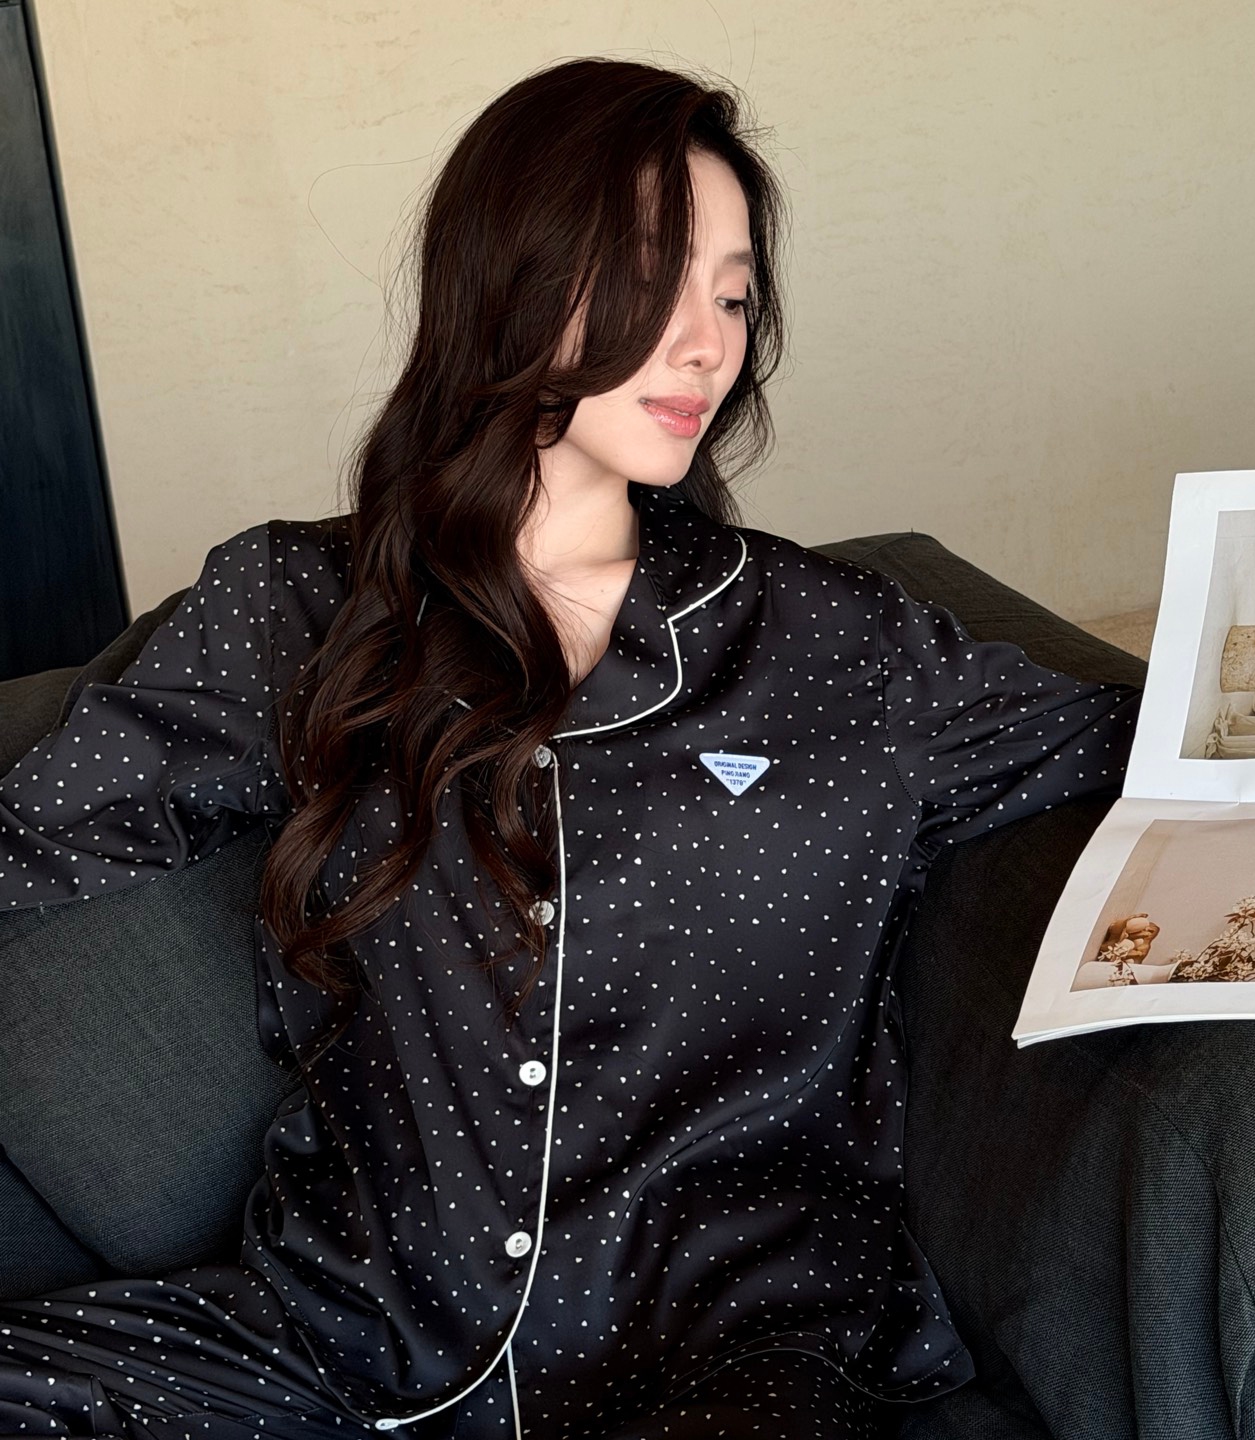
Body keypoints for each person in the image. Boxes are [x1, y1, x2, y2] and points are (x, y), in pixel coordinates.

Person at [0, 56, 1139, 1440]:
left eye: (734, 297)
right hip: (347, 1349)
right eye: (657, 281)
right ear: (512, 277)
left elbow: (1166, 742)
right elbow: (40, 831)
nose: (709, 344)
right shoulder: (297, 606)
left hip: (732, 1367)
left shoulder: (842, 642)